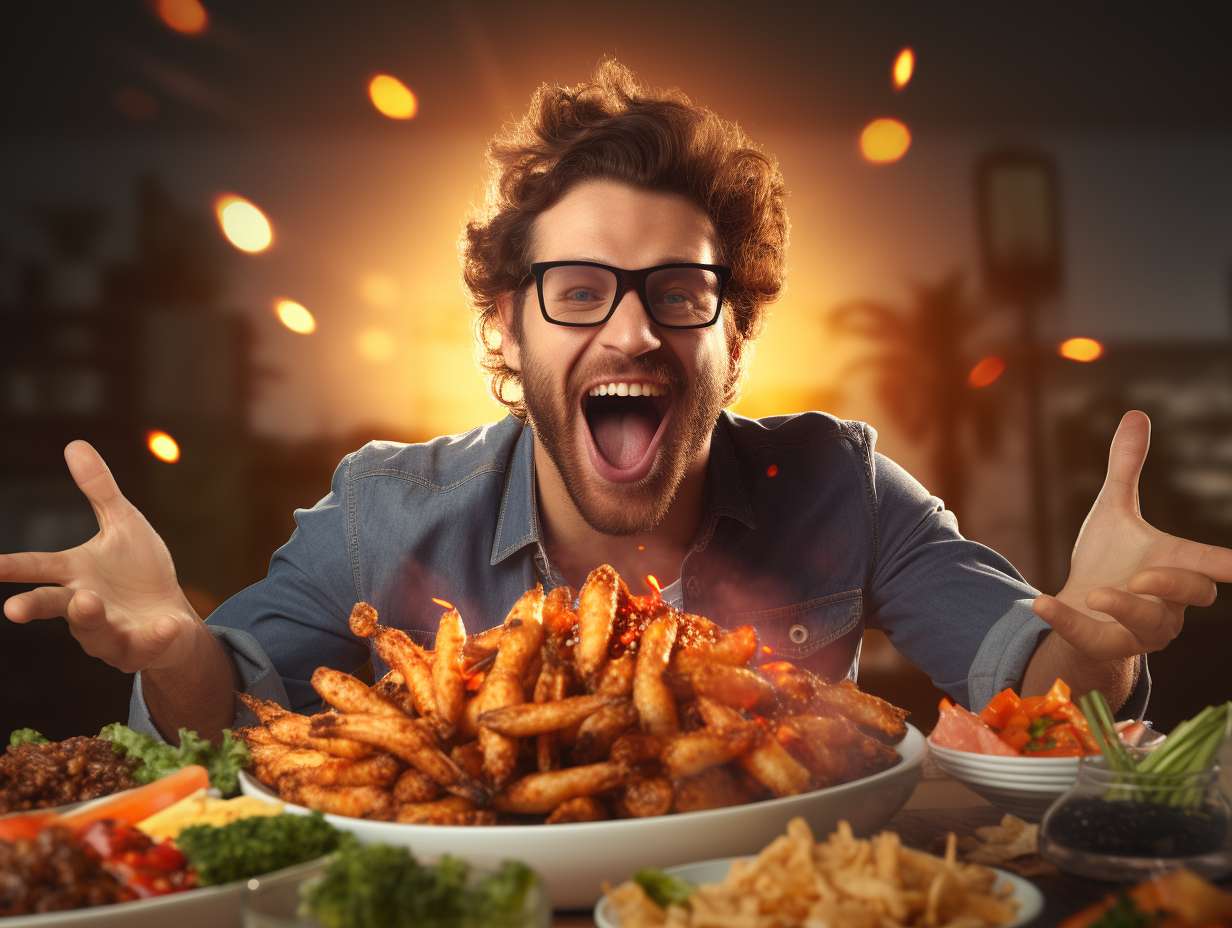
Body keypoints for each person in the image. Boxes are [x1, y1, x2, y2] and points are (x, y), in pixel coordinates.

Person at [3, 61, 1229, 745]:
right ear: (505, 328)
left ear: (735, 333)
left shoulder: (838, 484)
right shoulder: (382, 513)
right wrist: (171, 651)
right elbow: (226, 719)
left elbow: (1032, 683)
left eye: (680, 292)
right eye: (578, 291)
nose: (632, 328)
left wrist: (1101, 638)